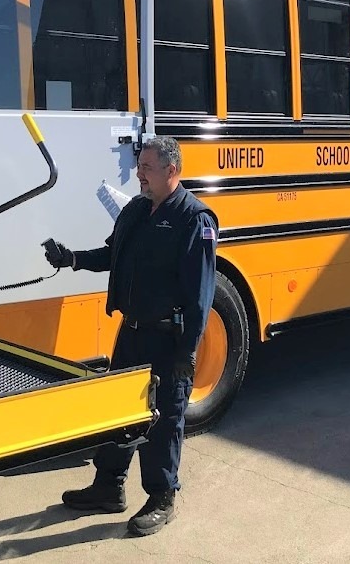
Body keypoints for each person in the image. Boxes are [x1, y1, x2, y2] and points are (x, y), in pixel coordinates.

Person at [43, 135, 218, 536]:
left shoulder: (194, 220)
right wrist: (72, 259)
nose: (138, 174)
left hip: (168, 339)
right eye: (139, 166)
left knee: (164, 417)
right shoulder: (138, 211)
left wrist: (187, 351)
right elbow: (113, 254)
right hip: (132, 332)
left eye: (147, 168)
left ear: (172, 171)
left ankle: (162, 497)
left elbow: (200, 295)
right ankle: (108, 487)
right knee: (117, 410)